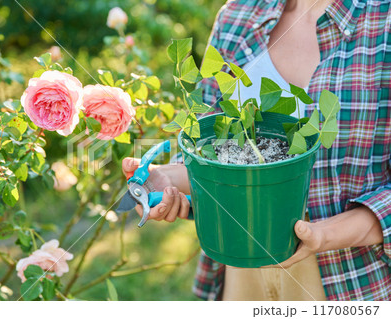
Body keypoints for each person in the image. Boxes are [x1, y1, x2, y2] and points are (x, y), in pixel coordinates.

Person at [122, 0, 390, 300]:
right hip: (239, 264)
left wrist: (324, 235)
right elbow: (211, 149)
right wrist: (171, 179)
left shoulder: (383, 21)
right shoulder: (238, 16)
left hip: (346, 278)